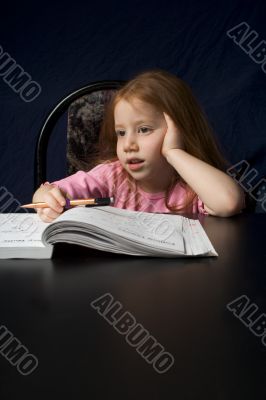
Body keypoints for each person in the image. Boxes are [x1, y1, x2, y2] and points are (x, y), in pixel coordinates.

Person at [33, 69, 245, 222]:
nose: (128, 145)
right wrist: (47, 199)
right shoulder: (111, 176)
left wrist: (174, 152)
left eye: (144, 129)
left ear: (179, 130)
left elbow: (229, 202)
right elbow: (49, 192)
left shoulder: (194, 187)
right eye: (121, 133)